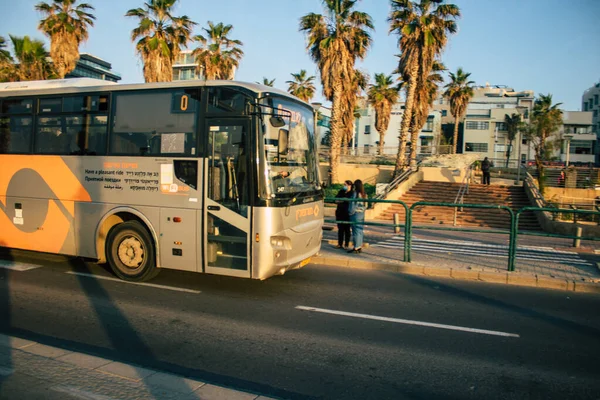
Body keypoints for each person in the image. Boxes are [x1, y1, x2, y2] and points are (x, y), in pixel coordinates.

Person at [347, 179, 366, 254]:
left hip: (355, 214)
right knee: (360, 231)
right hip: (361, 213)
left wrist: (350, 212)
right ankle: (359, 246)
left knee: (355, 231)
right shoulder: (364, 194)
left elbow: (352, 205)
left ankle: (356, 247)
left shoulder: (356, 194)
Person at [335, 180, 353, 249]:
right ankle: (340, 244)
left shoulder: (351, 193)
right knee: (340, 229)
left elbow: (349, 201)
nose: (344, 186)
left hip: (347, 213)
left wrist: (342, 200)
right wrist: (343, 200)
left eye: (345, 184)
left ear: (349, 185)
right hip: (340, 212)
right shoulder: (341, 191)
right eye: (344, 184)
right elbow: (336, 200)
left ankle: (346, 244)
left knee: (347, 230)